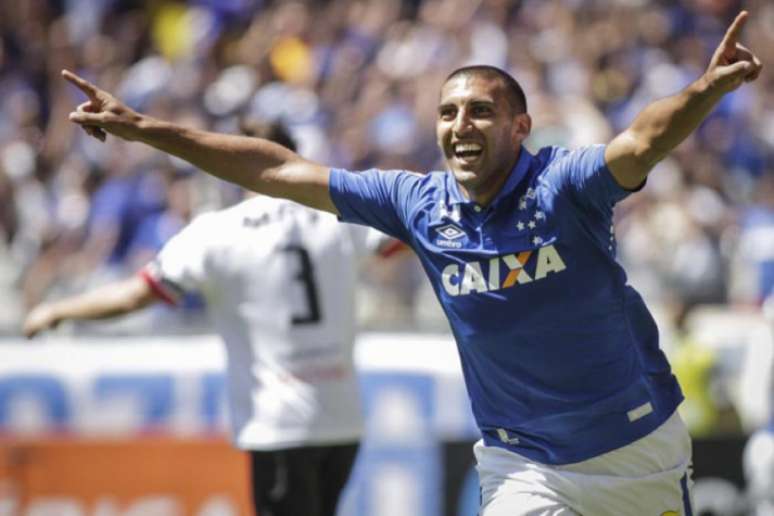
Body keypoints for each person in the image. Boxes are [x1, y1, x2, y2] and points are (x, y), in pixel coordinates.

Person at [53, 10, 762, 516]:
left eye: (480, 112)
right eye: (449, 113)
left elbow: (639, 143)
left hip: (635, 450)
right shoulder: (415, 203)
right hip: (525, 462)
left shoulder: (565, 184)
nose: (460, 126)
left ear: (520, 126)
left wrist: (707, 90)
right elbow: (278, 171)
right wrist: (145, 129)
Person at [23, 122, 386, 516]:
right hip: (344, 419)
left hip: (279, 422)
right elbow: (405, 237)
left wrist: (59, 309)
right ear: (293, 154)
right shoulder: (339, 218)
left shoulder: (217, 231)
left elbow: (135, 295)